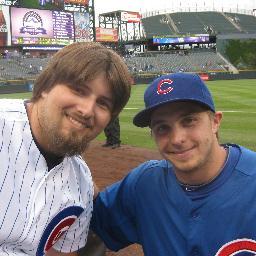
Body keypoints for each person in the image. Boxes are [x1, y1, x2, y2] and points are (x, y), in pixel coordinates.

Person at [91, 72, 256, 256]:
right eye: (162, 128)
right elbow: (91, 223)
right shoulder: (144, 185)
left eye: (189, 121)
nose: (177, 139)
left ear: (215, 122)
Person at [0, 42, 131, 256]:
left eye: (103, 103)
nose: (87, 110)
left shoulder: (81, 184)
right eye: (78, 90)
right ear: (45, 87)